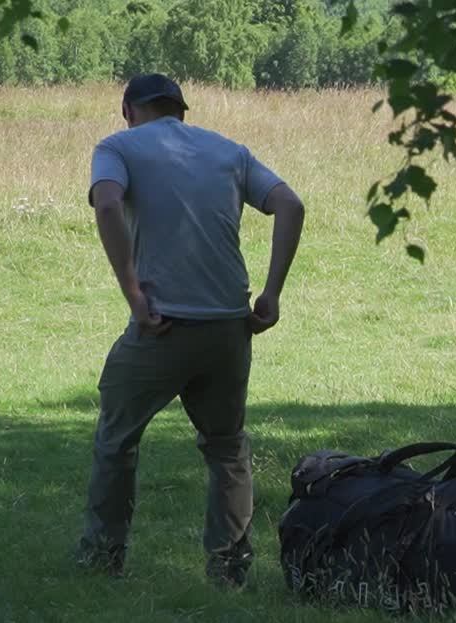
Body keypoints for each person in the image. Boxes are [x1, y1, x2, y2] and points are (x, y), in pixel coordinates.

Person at [78, 74, 305, 588]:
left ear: (127, 109)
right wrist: (271, 293)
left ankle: (102, 559)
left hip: (163, 327)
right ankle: (228, 570)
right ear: (182, 110)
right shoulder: (229, 151)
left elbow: (108, 203)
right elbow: (291, 205)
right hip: (229, 326)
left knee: (118, 439)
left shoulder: (117, 147)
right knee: (227, 447)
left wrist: (135, 296)